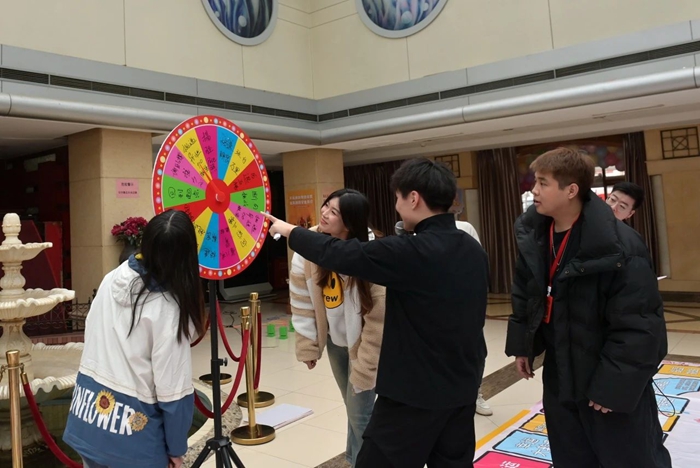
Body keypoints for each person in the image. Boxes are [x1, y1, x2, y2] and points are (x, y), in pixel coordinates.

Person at [265, 158, 489, 468]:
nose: (396, 206)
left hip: (413, 394)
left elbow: (339, 253)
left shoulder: (410, 251)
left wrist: (290, 231)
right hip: (462, 386)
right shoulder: (472, 248)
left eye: (398, 197)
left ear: (413, 198)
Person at [506, 147, 671, 467]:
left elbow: (640, 324)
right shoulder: (535, 236)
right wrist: (523, 346)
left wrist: (614, 386)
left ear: (571, 190)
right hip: (560, 375)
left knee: (628, 457)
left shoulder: (620, 245)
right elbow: (525, 295)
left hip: (606, 379)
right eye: (534, 182)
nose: (533, 190)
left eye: (542, 183)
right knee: (571, 456)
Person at [63, 210, 207, 468]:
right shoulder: (168, 309)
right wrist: (176, 449)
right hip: (134, 442)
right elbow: (173, 393)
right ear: (186, 257)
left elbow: (91, 332)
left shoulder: (111, 279)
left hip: (87, 420)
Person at [289, 188, 386, 467]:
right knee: (353, 411)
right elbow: (301, 299)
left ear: (350, 223)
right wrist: (308, 345)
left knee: (361, 415)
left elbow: (378, 320)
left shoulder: (370, 252)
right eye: (326, 206)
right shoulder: (309, 248)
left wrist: (366, 366)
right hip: (336, 343)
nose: (324, 214)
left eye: (334, 212)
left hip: (364, 345)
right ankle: (355, 461)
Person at [396, 207, 493, 418]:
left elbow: (478, 264)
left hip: (462, 306)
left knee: (475, 352)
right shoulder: (414, 236)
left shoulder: (465, 229)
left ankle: (475, 392)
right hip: (430, 310)